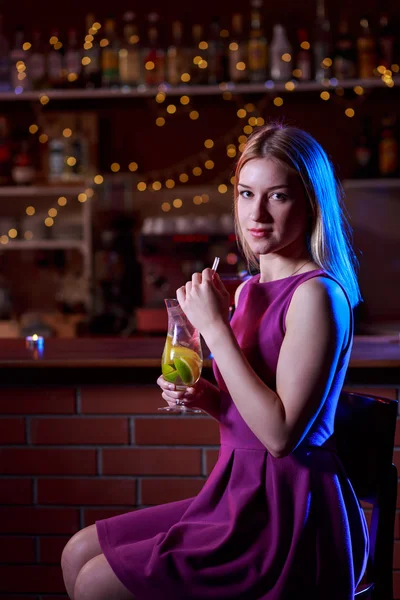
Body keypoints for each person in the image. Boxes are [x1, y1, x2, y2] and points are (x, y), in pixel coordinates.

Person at [61, 122, 369, 600]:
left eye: (279, 196)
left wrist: (216, 332)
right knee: (78, 552)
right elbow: (247, 413)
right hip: (235, 494)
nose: (258, 213)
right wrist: (204, 396)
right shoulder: (247, 289)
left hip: (286, 513)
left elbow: (280, 435)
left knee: (96, 584)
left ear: (311, 202)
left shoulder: (318, 295)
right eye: (247, 194)